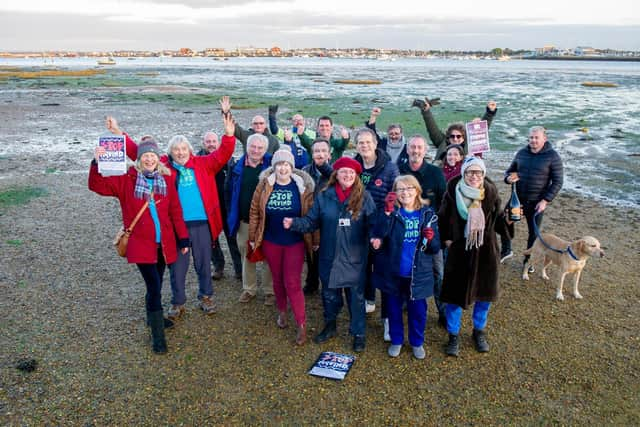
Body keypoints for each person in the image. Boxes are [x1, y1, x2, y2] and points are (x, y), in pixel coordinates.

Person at [109, 111, 237, 319]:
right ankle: (178, 302)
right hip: (176, 226)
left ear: (190, 150)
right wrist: (118, 132)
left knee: (204, 264)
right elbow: (139, 154)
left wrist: (229, 135)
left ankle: (206, 296)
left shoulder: (203, 164)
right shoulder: (164, 168)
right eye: (176, 149)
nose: (180, 152)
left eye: (184, 148)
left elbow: (223, 154)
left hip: (202, 224)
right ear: (170, 152)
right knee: (177, 267)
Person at [89, 138, 190, 354]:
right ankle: (158, 335)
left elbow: (175, 211)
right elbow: (96, 185)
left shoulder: (167, 179)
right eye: (145, 155)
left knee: (156, 282)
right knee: (154, 287)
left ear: (157, 157)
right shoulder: (127, 180)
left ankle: (152, 318)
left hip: (163, 244)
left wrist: (182, 238)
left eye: (152, 155)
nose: (149, 158)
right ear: (139, 159)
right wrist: (96, 163)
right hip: (140, 244)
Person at [283, 157, 378, 352]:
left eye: (352, 172)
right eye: (344, 171)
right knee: (329, 294)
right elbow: (311, 221)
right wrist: (294, 223)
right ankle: (330, 325)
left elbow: (373, 223)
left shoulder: (364, 197)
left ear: (356, 176)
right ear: (336, 174)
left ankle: (358, 333)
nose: (348, 175)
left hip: (355, 257)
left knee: (356, 297)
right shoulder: (325, 196)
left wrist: (376, 236)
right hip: (330, 255)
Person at [438, 157, 514, 357]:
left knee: (483, 295)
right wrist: (446, 239)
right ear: (463, 173)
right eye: (470, 172)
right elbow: (442, 218)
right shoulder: (452, 193)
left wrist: (508, 221)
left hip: (486, 251)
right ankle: (453, 335)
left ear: (483, 174)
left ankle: (478, 331)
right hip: (459, 252)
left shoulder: (490, 193)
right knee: (455, 296)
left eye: (478, 173)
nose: (474, 176)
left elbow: (498, 220)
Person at [248, 148, 315, 345]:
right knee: (277, 279)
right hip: (271, 241)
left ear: (291, 167)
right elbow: (254, 211)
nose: (283, 168)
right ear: (274, 167)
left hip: (294, 242)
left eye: (286, 164)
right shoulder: (265, 185)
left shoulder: (302, 186)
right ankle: (282, 312)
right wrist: (253, 236)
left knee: (292, 282)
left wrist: (315, 239)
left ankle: (301, 324)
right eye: (279, 164)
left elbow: (311, 214)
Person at [373, 175, 440, 359]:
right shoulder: (391, 213)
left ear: (417, 190)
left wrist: (431, 237)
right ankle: (396, 340)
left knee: (418, 311)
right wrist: (386, 212)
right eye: (401, 189)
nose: (405, 192)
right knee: (393, 309)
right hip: (393, 272)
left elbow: (434, 248)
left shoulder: (428, 214)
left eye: (409, 188)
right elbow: (378, 234)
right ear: (395, 193)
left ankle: (417, 342)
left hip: (418, 273)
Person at [353, 127, 399, 340]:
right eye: (360, 143)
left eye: (367, 142)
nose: (364, 146)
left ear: (375, 143)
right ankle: (369, 301)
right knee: (363, 268)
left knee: (386, 274)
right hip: (360, 227)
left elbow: (396, 197)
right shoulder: (354, 167)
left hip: (383, 229)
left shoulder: (389, 168)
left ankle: (389, 320)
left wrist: (383, 229)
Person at [396, 134, 447, 327]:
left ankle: (442, 311)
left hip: (429, 235)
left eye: (419, 148)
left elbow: (444, 204)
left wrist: (440, 235)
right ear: (407, 149)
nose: (416, 151)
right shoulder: (399, 170)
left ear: (425, 151)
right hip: (404, 234)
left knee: (437, 273)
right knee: (403, 270)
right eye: (412, 147)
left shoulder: (435, 173)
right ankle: (404, 304)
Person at [503, 126, 564, 268]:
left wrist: (545, 201)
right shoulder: (521, 153)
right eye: (531, 138)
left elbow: (558, 181)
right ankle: (506, 250)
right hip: (517, 201)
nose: (533, 140)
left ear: (544, 139)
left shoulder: (552, 156)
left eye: (536, 138)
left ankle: (528, 262)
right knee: (504, 222)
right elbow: (509, 172)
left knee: (533, 234)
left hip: (537, 203)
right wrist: (508, 179)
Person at [226, 133, 274, 304]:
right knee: (247, 254)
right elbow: (229, 192)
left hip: (268, 221)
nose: (256, 150)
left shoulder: (272, 165)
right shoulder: (237, 166)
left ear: (265, 149)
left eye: (260, 147)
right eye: (252, 147)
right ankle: (249, 289)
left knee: (269, 254)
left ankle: (270, 291)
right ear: (246, 147)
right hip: (244, 220)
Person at [197, 131, 242, 281]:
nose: (211, 144)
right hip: (208, 208)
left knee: (232, 239)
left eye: (213, 141)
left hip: (226, 206)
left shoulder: (228, 160)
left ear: (218, 143)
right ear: (203, 143)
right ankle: (218, 266)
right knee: (211, 240)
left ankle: (239, 269)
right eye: (208, 141)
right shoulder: (198, 160)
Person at [412, 99, 498, 162]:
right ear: (448, 137)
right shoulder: (442, 142)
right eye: (452, 136)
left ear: (464, 137)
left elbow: (481, 130)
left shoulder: (471, 145)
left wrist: (490, 112)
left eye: (458, 136)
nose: (455, 139)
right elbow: (432, 127)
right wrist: (426, 111)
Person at [300, 138, 333, 296]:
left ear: (329, 154)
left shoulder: (335, 172)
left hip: (328, 222)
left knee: (326, 255)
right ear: (311, 154)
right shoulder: (305, 171)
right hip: (310, 219)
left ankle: (329, 285)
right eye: (316, 151)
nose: (320, 154)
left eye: (323, 151)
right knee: (310, 253)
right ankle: (311, 282)